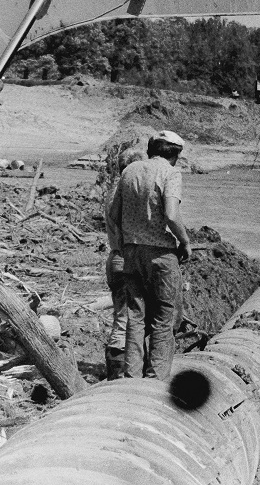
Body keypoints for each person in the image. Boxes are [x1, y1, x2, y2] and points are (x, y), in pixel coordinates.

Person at [106, 130, 192, 380]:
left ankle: (132, 377)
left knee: (135, 316)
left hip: (131, 253)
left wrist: (125, 243)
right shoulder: (170, 172)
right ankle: (156, 379)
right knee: (164, 318)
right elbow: (172, 214)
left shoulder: (129, 171)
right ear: (176, 155)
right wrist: (184, 241)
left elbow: (114, 214)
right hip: (161, 254)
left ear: (150, 149)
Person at [102, 145, 146, 380]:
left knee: (123, 317)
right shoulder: (126, 192)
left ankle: (117, 371)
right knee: (127, 320)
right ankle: (119, 374)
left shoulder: (112, 191)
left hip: (116, 258)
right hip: (126, 260)